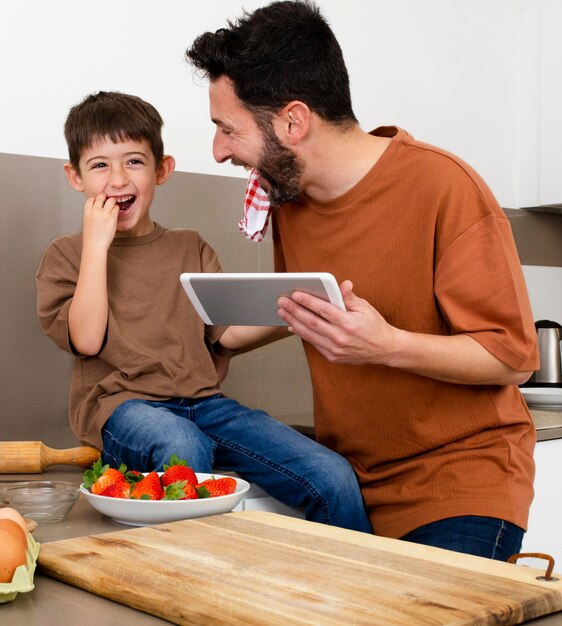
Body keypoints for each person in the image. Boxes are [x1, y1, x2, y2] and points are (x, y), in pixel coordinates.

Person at [185, 0, 539, 560]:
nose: (219, 150)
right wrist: (218, 340)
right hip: (347, 482)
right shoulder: (291, 201)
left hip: (460, 484)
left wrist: (387, 346)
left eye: (227, 129)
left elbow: (513, 357)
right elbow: (307, 303)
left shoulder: (443, 186)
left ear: (293, 121)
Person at [34, 91, 372, 532]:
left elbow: (225, 334)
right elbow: (86, 340)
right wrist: (96, 245)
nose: (117, 178)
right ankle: (190, 580)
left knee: (332, 474)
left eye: (133, 162)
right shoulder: (66, 255)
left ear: (162, 170)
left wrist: (299, 314)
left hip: (204, 403)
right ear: (75, 177)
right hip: (123, 409)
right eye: (100, 165)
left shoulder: (189, 247)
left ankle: (353, 587)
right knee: (182, 446)